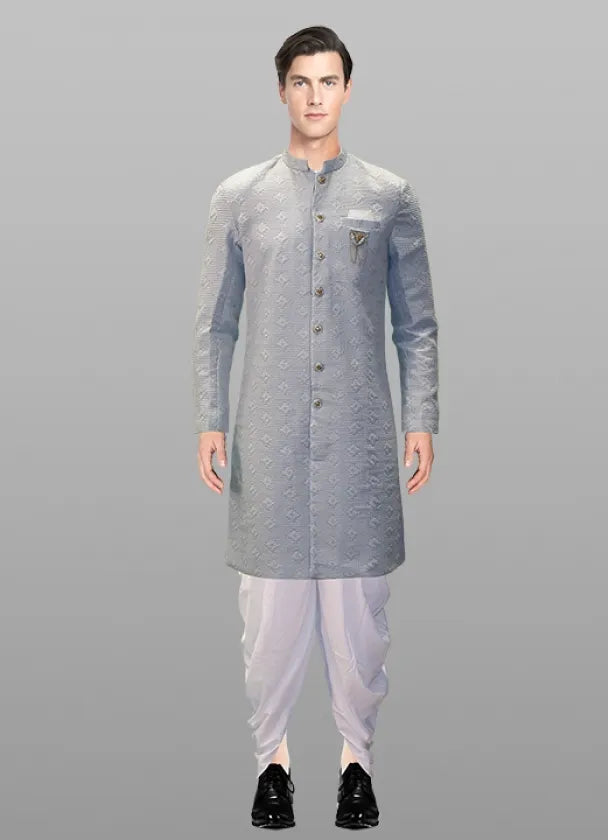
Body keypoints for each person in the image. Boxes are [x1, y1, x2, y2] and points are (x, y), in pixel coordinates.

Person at [192, 25, 439, 830]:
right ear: (281, 91)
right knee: (267, 625)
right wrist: (210, 418)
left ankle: (356, 764)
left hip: (360, 444)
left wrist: (422, 418)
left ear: (348, 89)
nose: (314, 96)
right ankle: (272, 766)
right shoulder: (240, 198)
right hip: (267, 443)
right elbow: (215, 325)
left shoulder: (390, 196)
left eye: (328, 81)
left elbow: (416, 324)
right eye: (300, 81)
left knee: (360, 622)